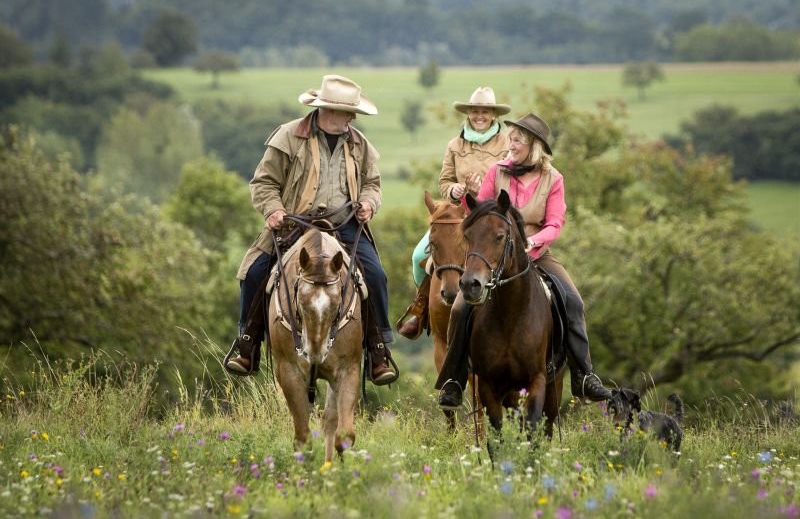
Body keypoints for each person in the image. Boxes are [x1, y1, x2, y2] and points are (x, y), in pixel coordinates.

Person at [225, 74, 396, 385]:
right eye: (338, 111)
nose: (344, 119)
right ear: (322, 110)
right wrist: (273, 209)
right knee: (254, 273)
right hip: (295, 223)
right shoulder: (288, 137)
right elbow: (263, 183)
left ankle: (378, 349)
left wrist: (369, 203)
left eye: (348, 113)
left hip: (344, 224)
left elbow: (372, 184)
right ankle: (248, 342)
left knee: (375, 275)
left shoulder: (361, 145)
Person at [436, 112, 612, 408]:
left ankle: (584, 375)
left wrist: (534, 241)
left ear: (534, 146)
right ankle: (454, 377)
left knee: (573, 300)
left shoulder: (553, 179)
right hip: (495, 254)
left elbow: (555, 223)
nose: (511, 143)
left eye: (517, 140)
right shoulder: (497, 171)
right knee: (459, 307)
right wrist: (467, 195)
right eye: (512, 138)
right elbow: (480, 212)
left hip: (537, 254)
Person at [396, 87, 510, 339]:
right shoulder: (455, 144)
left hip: (492, 217)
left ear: (493, 114)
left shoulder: (507, 143)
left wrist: (483, 190)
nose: (479, 115)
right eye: (475, 111)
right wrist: (455, 190)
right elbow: (444, 181)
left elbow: (511, 183)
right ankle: (422, 308)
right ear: (468, 113)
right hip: (459, 215)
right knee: (418, 256)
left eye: (485, 111)